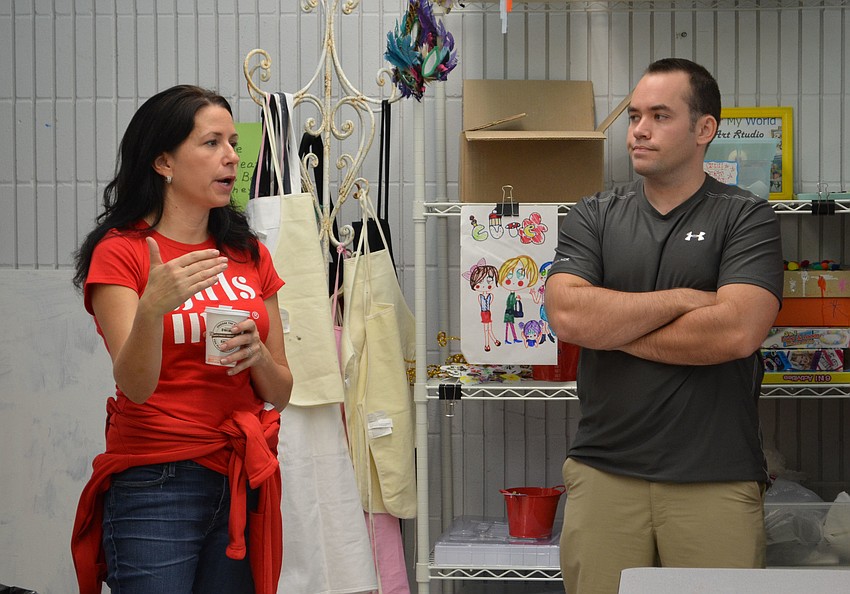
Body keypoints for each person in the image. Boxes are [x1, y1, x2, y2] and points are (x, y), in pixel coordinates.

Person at [544, 58, 784, 594]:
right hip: (604, 473)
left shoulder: (747, 217)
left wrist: (613, 326)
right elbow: (568, 316)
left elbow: (734, 333)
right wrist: (682, 299)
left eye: (659, 115)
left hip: (715, 477)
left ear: (705, 130)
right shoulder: (593, 215)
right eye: (634, 116)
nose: (639, 130)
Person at [70, 85, 293, 594]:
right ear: (164, 161)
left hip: (236, 475)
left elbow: (281, 390)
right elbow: (135, 385)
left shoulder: (249, 254)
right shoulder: (122, 253)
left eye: (234, 143)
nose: (232, 158)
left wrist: (257, 354)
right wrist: (153, 308)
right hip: (155, 481)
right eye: (212, 143)